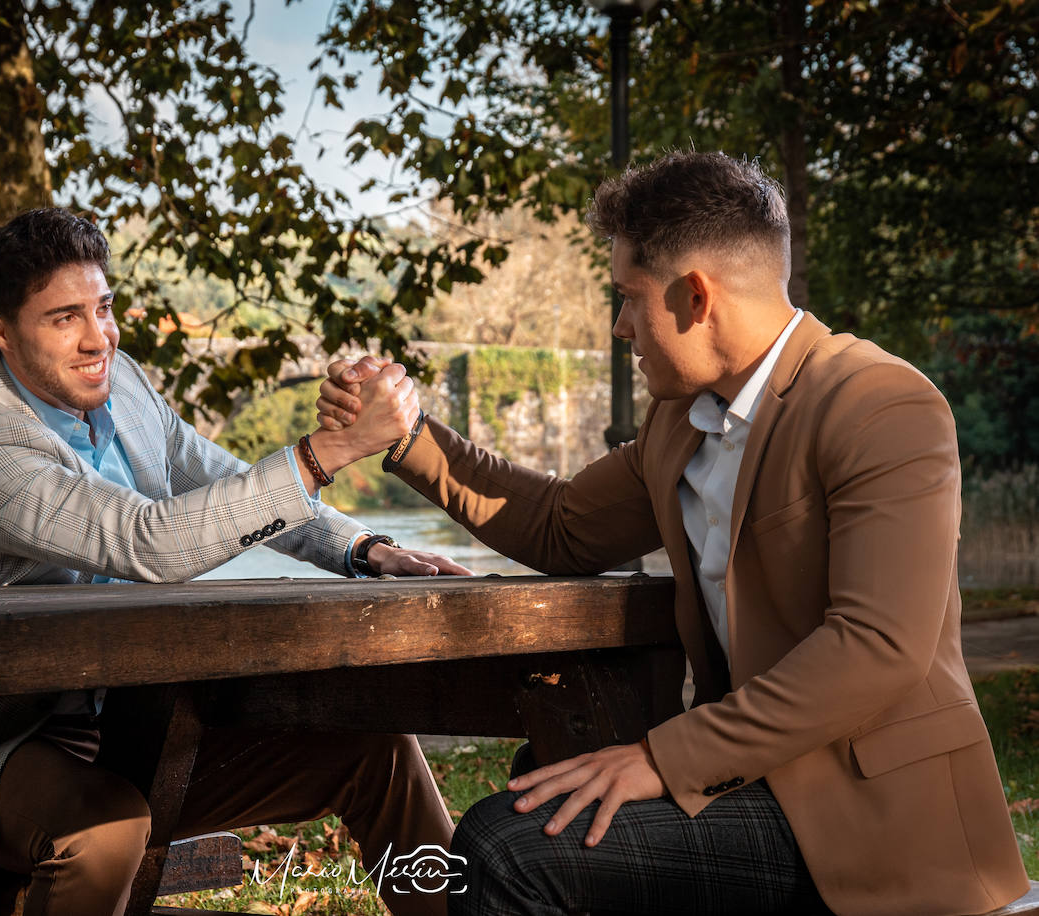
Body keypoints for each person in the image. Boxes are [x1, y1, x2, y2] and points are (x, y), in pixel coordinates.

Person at [316, 152, 1030, 915]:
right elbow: (561, 526)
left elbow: (878, 647)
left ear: (696, 296)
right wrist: (408, 436)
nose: (622, 326)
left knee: (506, 846)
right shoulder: (678, 423)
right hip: (760, 782)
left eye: (629, 297)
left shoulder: (881, 405)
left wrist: (663, 759)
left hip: (879, 818)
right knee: (542, 777)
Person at [0, 206, 471, 916]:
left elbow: (218, 481)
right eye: (64, 318)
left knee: (376, 753)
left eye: (103, 307)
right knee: (107, 829)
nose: (99, 337)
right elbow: (148, 541)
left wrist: (363, 549)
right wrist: (328, 452)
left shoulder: (121, 381)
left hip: (139, 732)